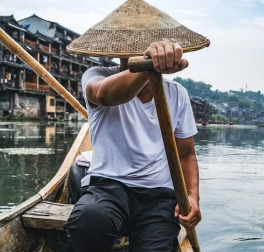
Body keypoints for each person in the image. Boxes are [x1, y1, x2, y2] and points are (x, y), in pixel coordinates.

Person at [64, 1, 209, 250]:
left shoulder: (177, 94)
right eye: (131, 49)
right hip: (108, 187)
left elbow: (186, 154)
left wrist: (193, 198)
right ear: (117, 51)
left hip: (158, 195)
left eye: (147, 49)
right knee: (87, 222)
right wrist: (148, 66)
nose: (138, 52)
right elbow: (104, 95)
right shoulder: (97, 75)